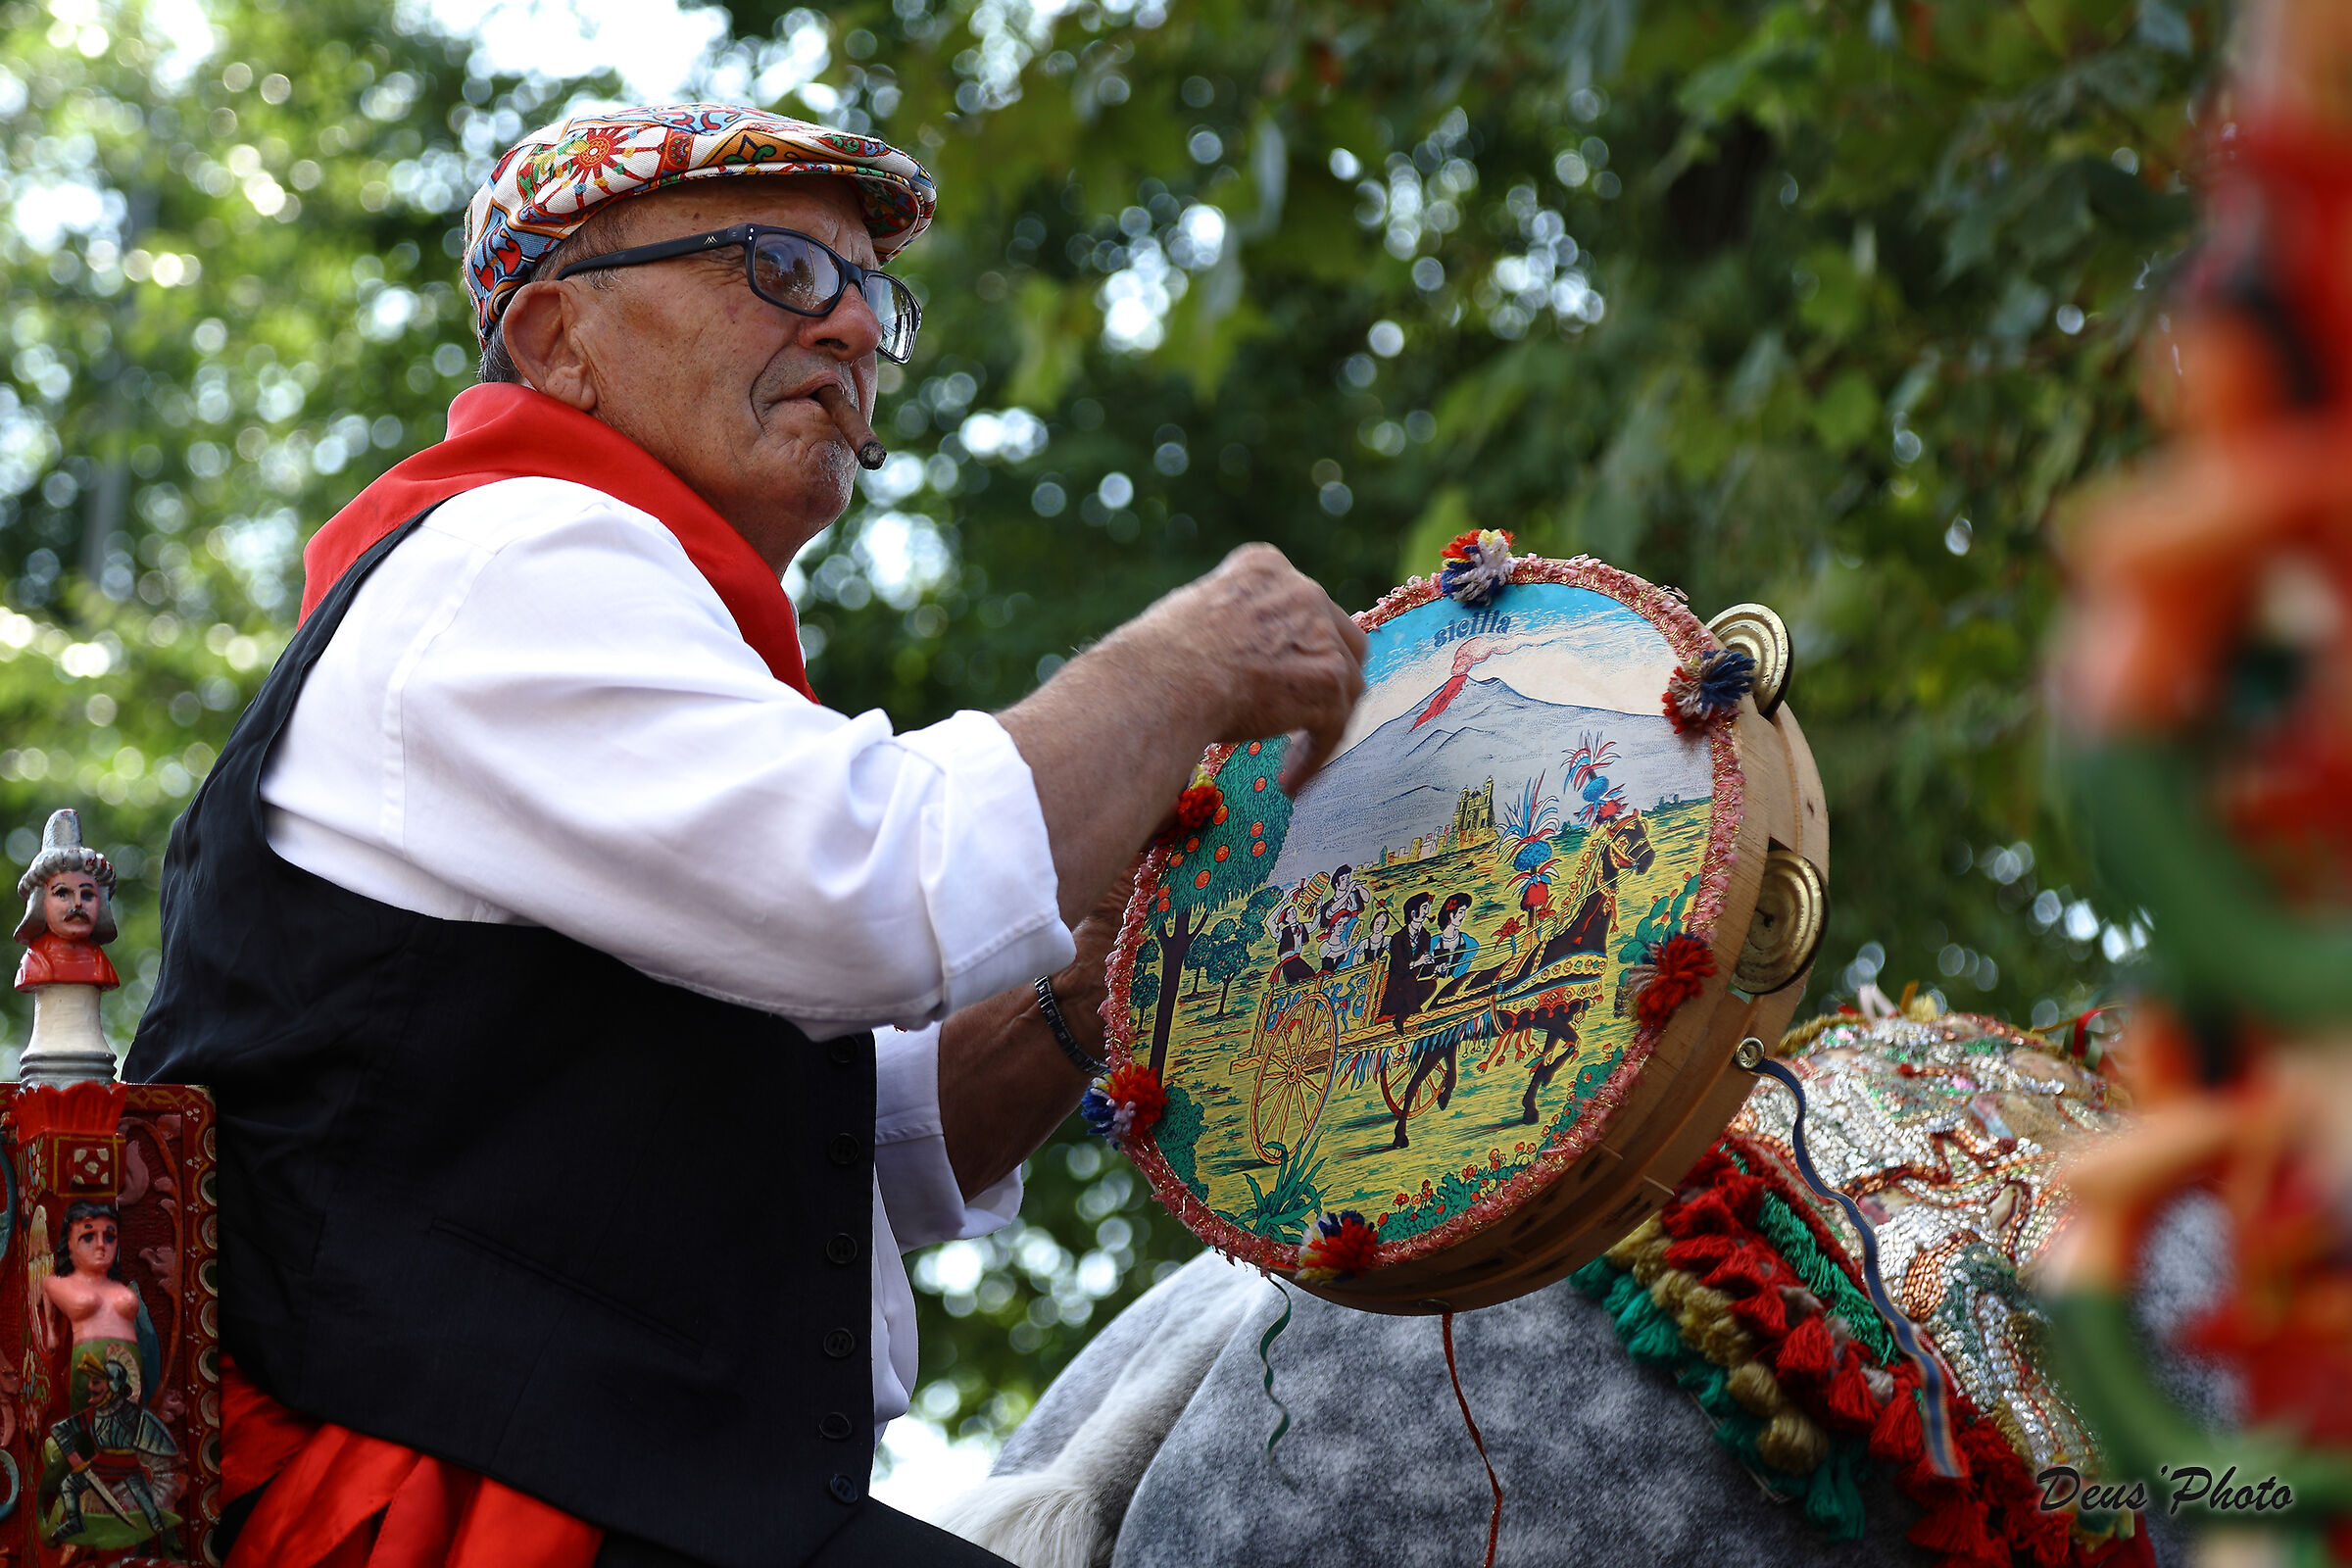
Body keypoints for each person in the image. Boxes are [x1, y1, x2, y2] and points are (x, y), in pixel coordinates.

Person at [123, 104, 1365, 1568]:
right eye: (778, 266)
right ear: (553, 339)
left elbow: (851, 1147)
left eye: (869, 294)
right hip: (441, 1516)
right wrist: (1187, 659)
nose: (850, 328)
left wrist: (1072, 1003)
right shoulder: (507, 555)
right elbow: (881, 894)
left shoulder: (633, 625)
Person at [13, 810, 120, 992]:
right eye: (62, 893)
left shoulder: (100, 962)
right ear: (40, 901)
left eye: (86, 895)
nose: (78, 903)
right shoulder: (36, 961)